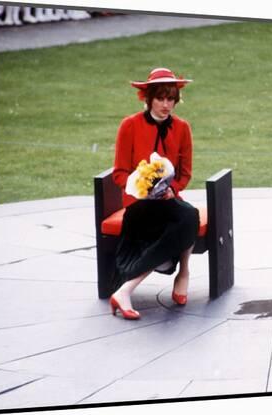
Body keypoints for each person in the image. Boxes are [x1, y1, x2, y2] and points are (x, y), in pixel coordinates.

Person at [108, 68, 199, 320]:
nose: (166, 105)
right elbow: (119, 173)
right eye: (160, 98)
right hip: (139, 205)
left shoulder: (182, 128)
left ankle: (183, 273)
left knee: (188, 215)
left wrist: (172, 189)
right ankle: (132, 288)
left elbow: (185, 174)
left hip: (169, 202)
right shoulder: (129, 125)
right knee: (184, 218)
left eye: (171, 99)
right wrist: (140, 187)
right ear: (148, 99)